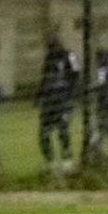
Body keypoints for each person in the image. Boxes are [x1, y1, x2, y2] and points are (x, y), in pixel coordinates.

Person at [37, 36, 79, 166]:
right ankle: (50, 161)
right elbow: (44, 79)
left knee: (63, 129)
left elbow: (76, 73)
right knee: (43, 132)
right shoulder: (49, 59)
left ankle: (67, 159)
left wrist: (71, 93)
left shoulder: (69, 56)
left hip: (63, 99)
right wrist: (40, 96)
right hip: (50, 100)